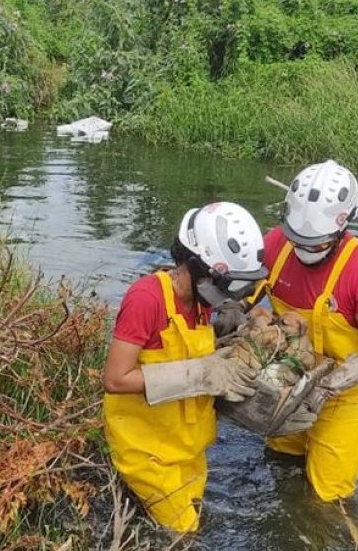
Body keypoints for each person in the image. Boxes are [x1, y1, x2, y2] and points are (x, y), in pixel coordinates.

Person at [102, 202, 269, 532]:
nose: (227, 296)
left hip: (188, 445)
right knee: (183, 537)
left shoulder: (201, 302)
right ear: (197, 267)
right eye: (225, 286)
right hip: (146, 449)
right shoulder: (146, 299)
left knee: (195, 517)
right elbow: (115, 379)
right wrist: (203, 374)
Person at [260, 160, 358, 501]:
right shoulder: (275, 246)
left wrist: (330, 385)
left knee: (325, 492)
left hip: (347, 394)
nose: (302, 248)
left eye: (314, 243)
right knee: (280, 457)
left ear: (342, 228)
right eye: (297, 239)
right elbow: (249, 294)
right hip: (292, 379)